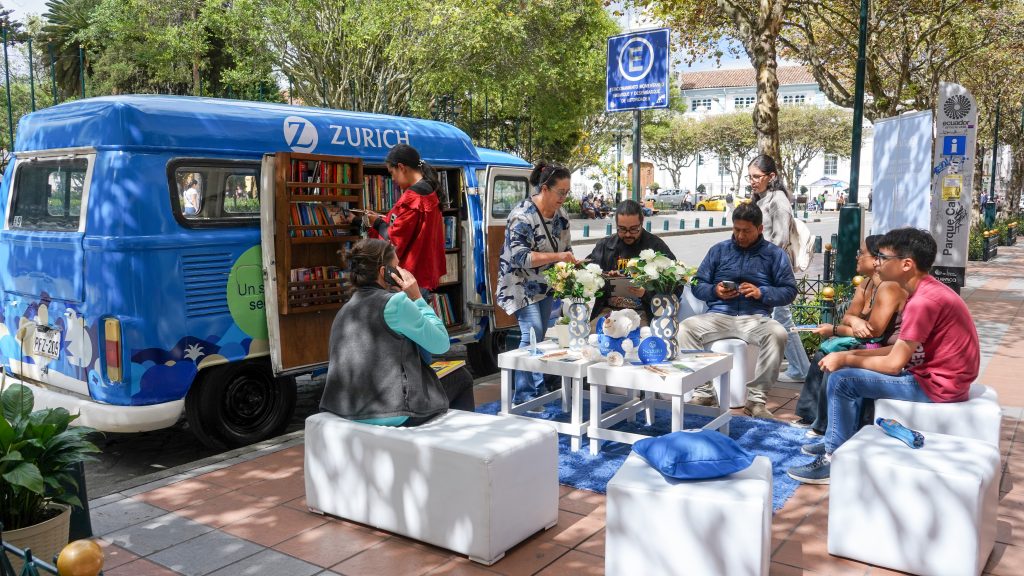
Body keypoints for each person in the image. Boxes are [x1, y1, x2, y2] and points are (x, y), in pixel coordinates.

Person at [787, 228, 980, 484]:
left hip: (937, 385)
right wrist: (852, 354)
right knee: (844, 368)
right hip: (935, 376)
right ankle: (839, 441)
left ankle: (834, 460)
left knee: (843, 380)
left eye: (883, 257)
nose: (877, 262)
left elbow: (893, 364)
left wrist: (845, 359)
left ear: (906, 265)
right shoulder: (925, 292)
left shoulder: (924, 302)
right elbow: (898, 350)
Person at [320, 239, 475, 426]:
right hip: (392, 411)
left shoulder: (346, 309)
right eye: (396, 267)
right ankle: (459, 447)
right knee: (462, 377)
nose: (401, 273)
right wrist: (417, 298)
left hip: (343, 408)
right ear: (384, 273)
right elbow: (441, 344)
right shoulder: (396, 303)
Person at [678, 202, 796, 418]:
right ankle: (704, 392)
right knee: (685, 329)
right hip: (719, 315)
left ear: (760, 229)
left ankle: (756, 401)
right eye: (736, 230)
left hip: (756, 317)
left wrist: (762, 293)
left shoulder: (774, 254)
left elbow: (789, 291)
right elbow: (697, 284)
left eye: (746, 231)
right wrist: (715, 291)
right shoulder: (719, 250)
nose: (740, 236)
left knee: (778, 333)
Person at [791, 235, 907, 437]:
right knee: (823, 353)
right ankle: (810, 416)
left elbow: (874, 332)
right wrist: (855, 322)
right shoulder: (866, 284)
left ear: (875, 260)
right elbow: (848, 318)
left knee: (836, 359)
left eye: (861, 253)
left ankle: (825, 426)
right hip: (867, 343)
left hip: (884, 349)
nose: (857, 257)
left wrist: (837, 329)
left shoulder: (890, 287)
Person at [495, 161, 574, 403]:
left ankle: (537, 387)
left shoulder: (561, 215)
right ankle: (524, 395)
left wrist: (570, 267)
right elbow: (520, 257)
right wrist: (558, 257)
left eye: (567, 192)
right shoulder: (521, 215)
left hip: (546, 284)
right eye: (561, 192)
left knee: (538, 337)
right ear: (545, 188)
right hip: (519, 283)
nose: (564, 197)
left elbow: (566, 248)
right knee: (532, 333)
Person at [748, 154, 811, 385]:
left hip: (773, 270)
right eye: (750, 177)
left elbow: (781, 239)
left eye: (757, 176)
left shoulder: (778, 201)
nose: (753, 181)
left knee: (781, 319)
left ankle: (800, 369)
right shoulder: (761, 199)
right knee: (777, 318)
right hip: (765, 268)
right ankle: (798, 368)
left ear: (771, 176)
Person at [362, 144, 446, 292]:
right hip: (422, 273)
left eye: (392, 172)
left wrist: (377, 223)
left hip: (407, 278)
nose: (393, 179)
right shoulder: (430, 192)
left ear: (401, 167)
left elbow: (395, 240)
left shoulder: (412, 199)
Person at [586, 199, 677, 323]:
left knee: (639, 338)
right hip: (609, 311)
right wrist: (606, 277)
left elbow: (675, 285)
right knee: (594, 337)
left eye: (634, 229)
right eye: (622, 229)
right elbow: (587, 272)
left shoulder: (655, 246)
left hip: (643, 312)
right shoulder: (605, 245)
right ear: (616, 224)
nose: (628, 234)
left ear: (642, 221)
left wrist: (645, 292)